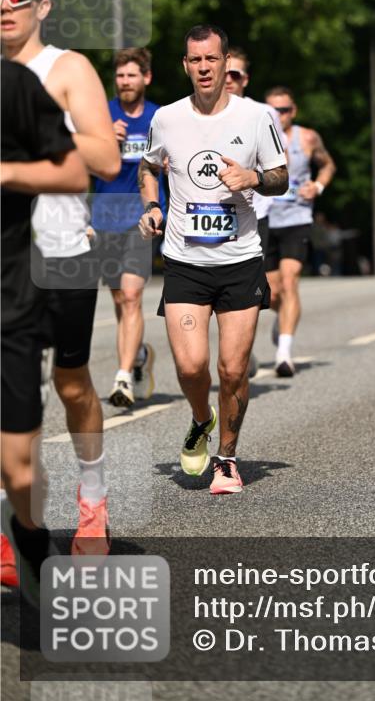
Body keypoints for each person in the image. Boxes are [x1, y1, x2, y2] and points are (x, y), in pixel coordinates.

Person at [1, 0, 120, 556]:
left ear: (41, 7)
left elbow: (106, 160)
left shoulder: (68, 68)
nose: (5, 7)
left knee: (71, 384)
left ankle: (92, 504)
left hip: (65, 252)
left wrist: (38, 125)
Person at [137, 24, 288, 495]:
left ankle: (226, 459)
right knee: (190, 367)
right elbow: (148, 165)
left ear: (227, 65)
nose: (204, 68)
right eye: (195, 60)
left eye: (212, 59)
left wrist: (254, 178)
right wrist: (152, 205)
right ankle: (201, 419)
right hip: (184, 262)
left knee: (232, 370)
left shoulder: (257, 116)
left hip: (240, 260)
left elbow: (282, 177)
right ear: (185, 65)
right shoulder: (167, 119)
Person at [1, 60, 88, 604]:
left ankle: (31, 537)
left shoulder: (12, 86)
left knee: (19, 468)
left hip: (8, 301)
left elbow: (74, 173)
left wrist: (5, 173)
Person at [91, 48, 163, 408]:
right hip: (103, 219)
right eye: (120, 76)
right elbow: (78, 164)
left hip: (140, 219)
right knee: (120, 299)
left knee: (133, 297)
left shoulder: (159, 118)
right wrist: (104, 143)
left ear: (145, 78)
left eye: (132, 75)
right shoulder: (101, 115)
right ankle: (138, 357)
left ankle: (122, 379)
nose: (125, 82)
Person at [223, 46, 287, 375]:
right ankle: (237, 353)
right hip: (211, 215)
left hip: (254, 213)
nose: (228, 79)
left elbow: (277, 165)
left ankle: (241, 351)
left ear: (245, 79)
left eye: (236, 74)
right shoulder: (198, 111)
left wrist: (253, 179)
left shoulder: (263, 113)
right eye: (225, 71)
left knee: (248, 288)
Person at [264, 86, 336, 377]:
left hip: (297, 217)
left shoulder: (307, 138)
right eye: (272, 110)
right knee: (270, 293)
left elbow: (328, 164)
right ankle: (283, 317)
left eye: (283, 110)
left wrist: (317, 186)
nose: (278, 115)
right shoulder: (256, 135)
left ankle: (284, 353)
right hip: (266, 218)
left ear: (293, 111)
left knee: (291, 280)